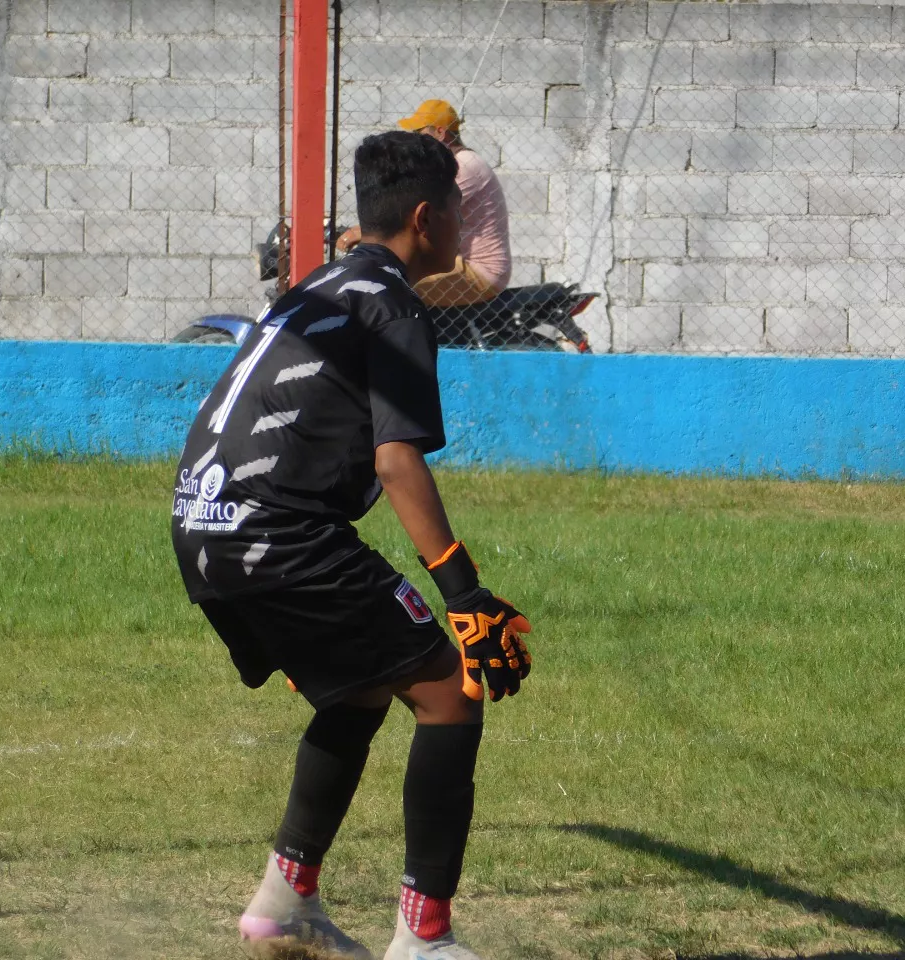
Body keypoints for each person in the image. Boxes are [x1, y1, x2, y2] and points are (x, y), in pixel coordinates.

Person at [170, 130, 533, 960]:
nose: (461, 225)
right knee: (449, 692)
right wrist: (466, 596)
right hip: (276, 533)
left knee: (363, 686)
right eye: (457, 211)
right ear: (424, 217)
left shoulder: (323, 283)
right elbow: (396, 460)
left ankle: (285, 897)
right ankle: (424, 938)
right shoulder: (395, 302)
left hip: (202, 524)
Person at [339, 100, 511, 308]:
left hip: (479, 270)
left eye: (420, 131)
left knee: (389, 282)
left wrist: (361, 232)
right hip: (459, 262)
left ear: (440, 132)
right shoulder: (455, 163)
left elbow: (414, 209)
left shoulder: (465, 164)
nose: (416, 138)